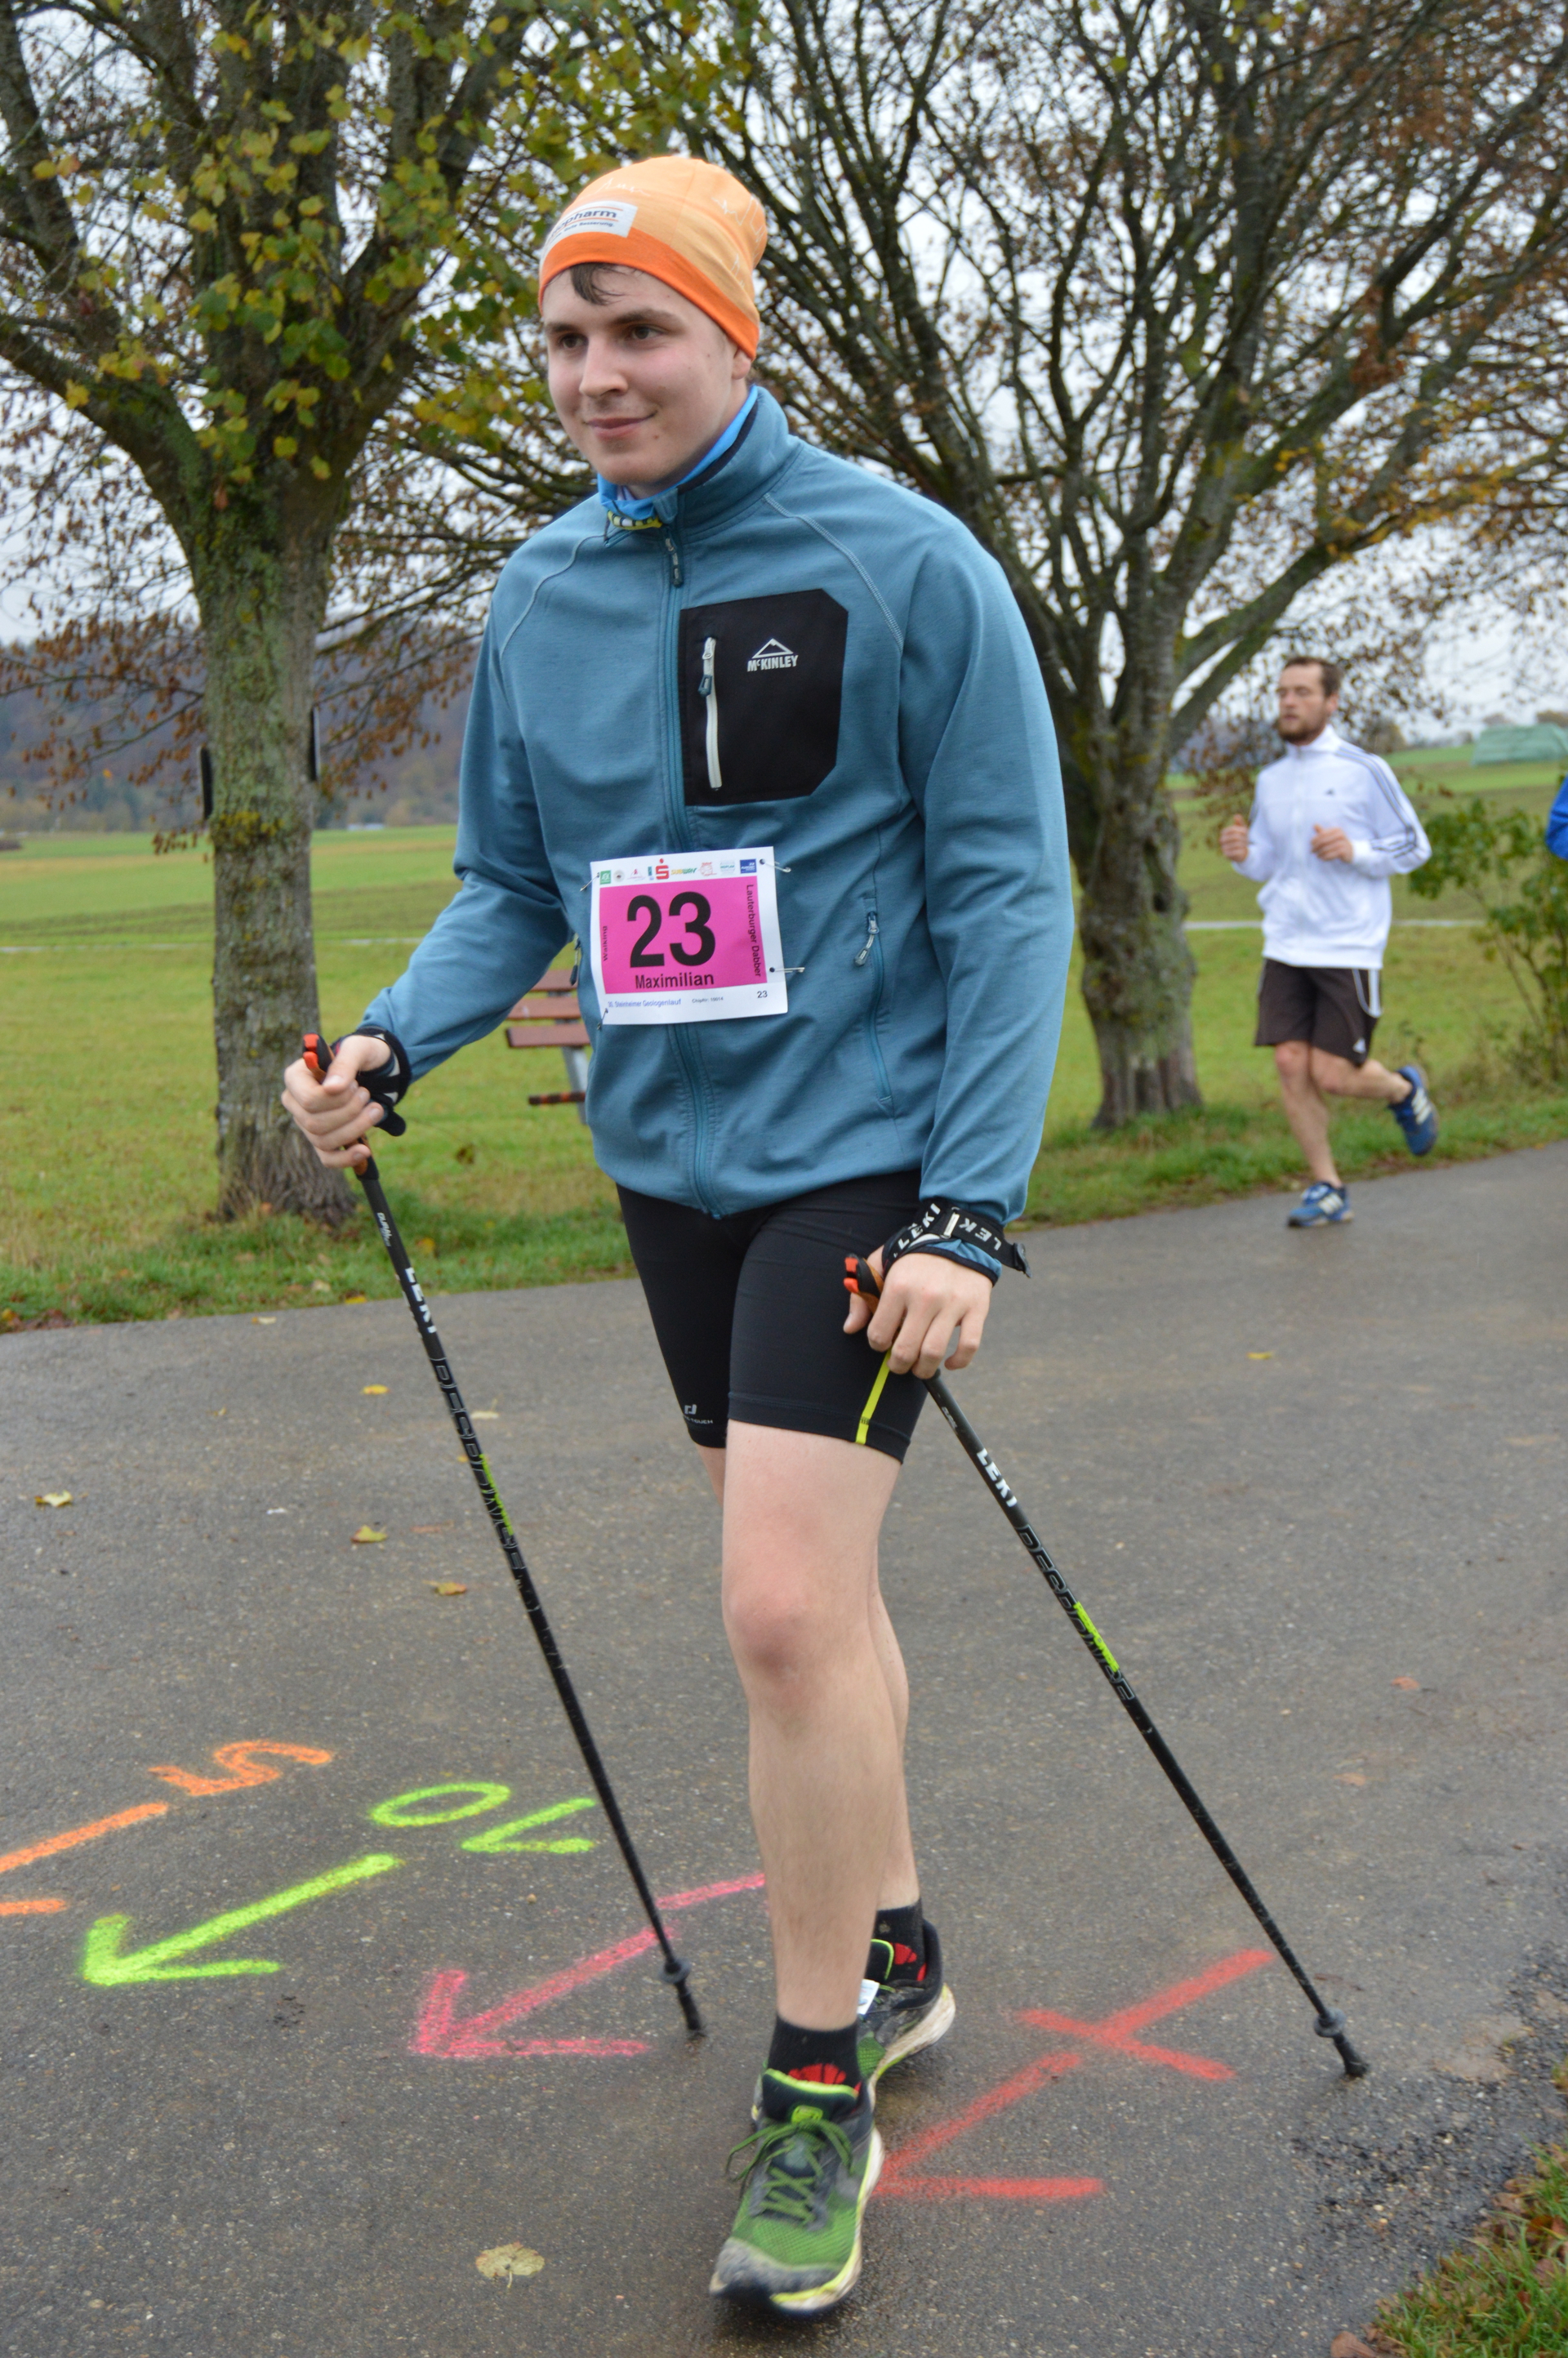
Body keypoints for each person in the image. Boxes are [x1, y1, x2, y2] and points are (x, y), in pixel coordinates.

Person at [279, 156, 1071, 2316]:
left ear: (739, 334)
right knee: (817, 1595)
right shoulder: (540, 594)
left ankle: (816, 2085)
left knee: (781, 1609)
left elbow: (1010, 891)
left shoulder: (905, 561)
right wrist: (393, 1043)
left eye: (641, 329)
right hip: (671, 1165)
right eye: (565, 335)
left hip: (868, 1158)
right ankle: (895, 1943)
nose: (596, 372)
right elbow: (515, 883)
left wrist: (970, 1207)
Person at [1219, 658, 1437, 1227]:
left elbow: (1414, 846)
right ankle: (1328, 1186)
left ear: (1331, 701)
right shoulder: (1271, 779)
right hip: (1285, 943)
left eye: (1302, 692)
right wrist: (1243, 854)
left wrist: (1355, 850)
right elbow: (1268, 862)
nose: (1289, 702)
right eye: (1282, 693)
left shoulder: (1364, 769)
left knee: (1334, 1074)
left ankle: (1402, 1089)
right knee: (1290, 1063)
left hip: (1347, 944)